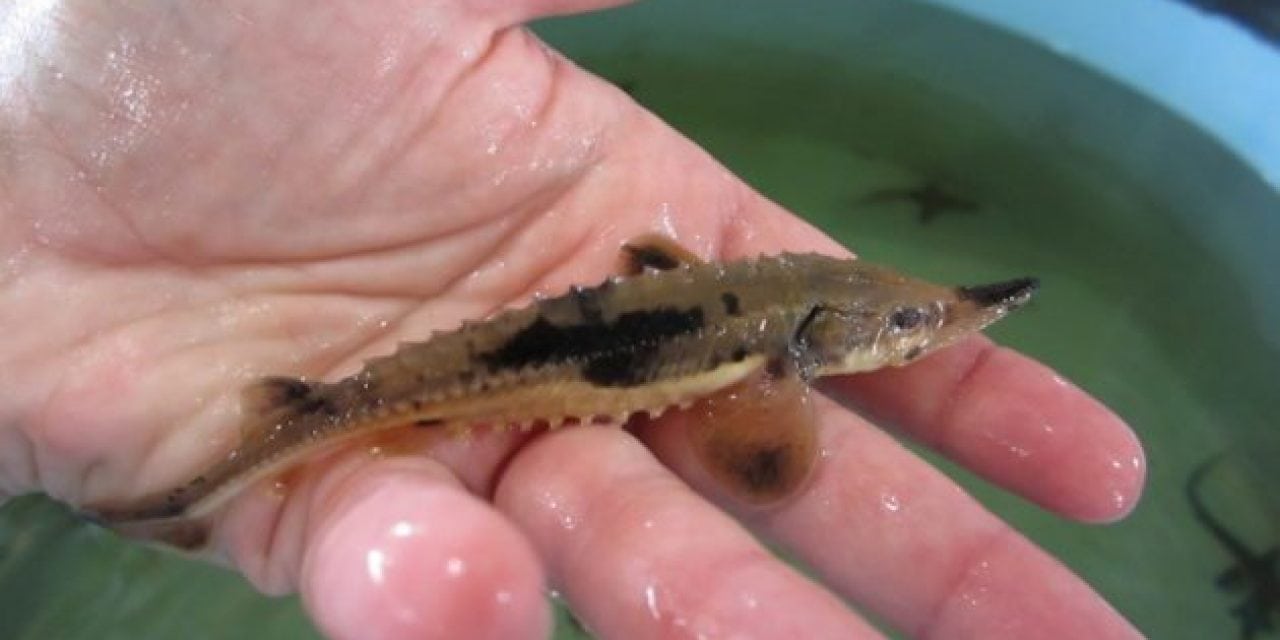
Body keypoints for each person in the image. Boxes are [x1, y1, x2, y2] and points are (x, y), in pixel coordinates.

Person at [0, 1, 1146, 638]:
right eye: (900, 328)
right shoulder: (772, 367)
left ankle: (184, 495)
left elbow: (651, 262)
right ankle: (188, 498)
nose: (919, 334)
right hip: (478, 375)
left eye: (903, 325)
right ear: (809, 343)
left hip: (579, 344)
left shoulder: (762, 305)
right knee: (323, 433)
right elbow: (759, 460)